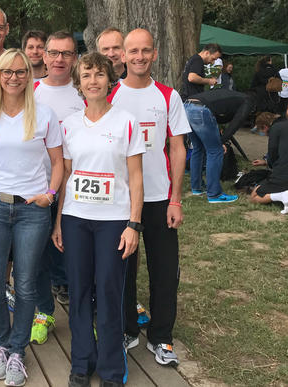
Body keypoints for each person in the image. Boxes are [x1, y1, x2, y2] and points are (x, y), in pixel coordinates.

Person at [0, 49, 63, 386]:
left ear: (28, 75)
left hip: (32, 210)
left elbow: (59, 163)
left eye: (20, 72)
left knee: (25, 285)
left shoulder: (45, 116)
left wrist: (49, 196)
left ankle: (17, 350)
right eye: (7, 72)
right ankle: (3, 344)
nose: (14, 77)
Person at [52, 52, 144, 387]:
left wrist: (134, 224)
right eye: (87, 75)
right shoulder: (69, 125)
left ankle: (111, 370)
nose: (93, 81)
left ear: (109, 80)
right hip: (76, 218)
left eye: (99, 74)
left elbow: (135, 178)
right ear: (79, 83)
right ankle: (81, 362)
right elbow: (66, 176)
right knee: (78, 292)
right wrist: (60, 221)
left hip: (113, 221)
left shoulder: (126, 122)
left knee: (108, 292)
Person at [110, 29, 190, 366]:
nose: (139, 57)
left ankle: (161, 337)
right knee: (122, 269)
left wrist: (176, 198)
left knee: (164, 269)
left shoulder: (168, 96)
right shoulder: (110, 95)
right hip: (121, 200)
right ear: (123, 56)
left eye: (146, 51)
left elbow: (177, 148)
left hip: (159, 198)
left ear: (154, 54)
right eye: (133, 51)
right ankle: (127, 329)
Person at [30, 31, 82, 345]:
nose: (60, 59)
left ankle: (81, 313)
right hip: (36, 186)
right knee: (35, 255)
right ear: (44, 56)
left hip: (76, 188)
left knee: (75, 253)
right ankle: (44, 311)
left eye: (66, 53)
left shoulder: (85, 92)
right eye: (54, 53)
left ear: (74, 58)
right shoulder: (30, 91)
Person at [185, 88, 255, 203]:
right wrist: (222, 141)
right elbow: (236, 123)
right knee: (215, 151)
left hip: (187, 106)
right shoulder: (248, 101)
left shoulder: (233, 97)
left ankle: (196, 187)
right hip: (201, 109)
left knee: (198, 148)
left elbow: (220, 117)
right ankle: (214, 194)